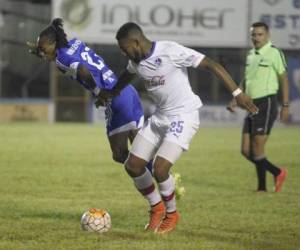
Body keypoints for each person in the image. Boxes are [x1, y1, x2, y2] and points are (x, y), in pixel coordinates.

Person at [100, 22, 258, 234]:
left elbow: (211, 64)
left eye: (124, 47)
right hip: (160, 118)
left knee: (160, 168)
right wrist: (112, 92)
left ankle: (172, 214)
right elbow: (127, 74)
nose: (122, 51)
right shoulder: (135, 60)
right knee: (133, 165)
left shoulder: (170, 51)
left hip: (184, 116)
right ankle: (156, 209)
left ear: (136, 42)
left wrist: (238, 94)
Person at [27, 18, 153, 172]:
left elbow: (81, 69)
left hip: (114, 98)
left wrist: (99, 93)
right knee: (140, 149)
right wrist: (44, 53)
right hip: (126, 90)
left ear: (53, 42)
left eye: (42, 48)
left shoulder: (61, 59)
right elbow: (70, 57)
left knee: (120, 154)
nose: (41, 52)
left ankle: (154, 181)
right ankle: (164, 175)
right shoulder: (75, 43)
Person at [227, 22, 289, 192]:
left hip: (267, 102)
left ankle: (262, 188)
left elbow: (283, 78)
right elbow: (247, 80)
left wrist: (285, 104)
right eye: (253, 35)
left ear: (267, 35)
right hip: (251, 104)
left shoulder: (274, 52)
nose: (256, 38)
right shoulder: (250, 55)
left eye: (260, 34)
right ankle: (277, 172)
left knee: (257, 149)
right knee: (246, 150)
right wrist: (236, 98)